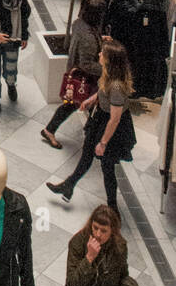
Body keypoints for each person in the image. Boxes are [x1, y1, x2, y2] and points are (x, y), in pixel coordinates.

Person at [47, 41, 137, 212]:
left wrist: (103, 143)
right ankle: (69, 185)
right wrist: (92, 99)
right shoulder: (109, 74)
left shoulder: (117, 86)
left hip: (111, 128)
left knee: (107, 166)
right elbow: (103, 91)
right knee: (87, 155)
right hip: (100, 119)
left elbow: (115, 119)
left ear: (110, 60)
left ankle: (112, 206)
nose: (99, 55)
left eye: (102, 53)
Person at [42, 0, 105, 149]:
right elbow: (86, 63)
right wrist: (105, 70)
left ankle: (50, 130)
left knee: (72, 104)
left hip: (75, 71)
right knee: (82, 104)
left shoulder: (79, 23)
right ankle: (93, 137)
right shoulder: (88, 37)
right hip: (84, 78)